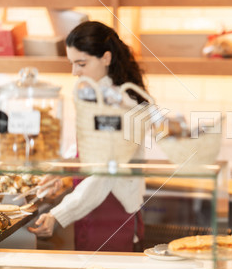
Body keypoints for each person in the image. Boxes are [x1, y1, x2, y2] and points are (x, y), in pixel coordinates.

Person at [28, 21, 149, 251]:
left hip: (110, 208)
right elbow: (89, 152)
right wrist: (64, 171)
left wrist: (59, 214)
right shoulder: (93, 95)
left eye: (81, 63)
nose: (74, 72)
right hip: (89, 202)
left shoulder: (122, 104)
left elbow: (104, 176)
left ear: (106, 58)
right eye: (72, 63)